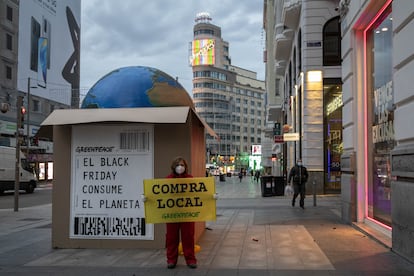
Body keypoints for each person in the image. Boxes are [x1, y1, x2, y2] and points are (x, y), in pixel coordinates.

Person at [165, 156, 197, 269]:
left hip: (187, 213)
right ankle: (171, 260)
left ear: (185, 167)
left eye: (182, 165)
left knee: (188, 237)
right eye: (178, 165)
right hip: (172, 214)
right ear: (174, 167)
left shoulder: (190, 178)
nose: (180, 167)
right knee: (171, 238)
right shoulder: (168, 179)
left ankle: (191, 260)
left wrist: (211, 197)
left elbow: (197, 193)